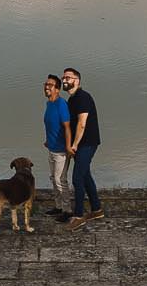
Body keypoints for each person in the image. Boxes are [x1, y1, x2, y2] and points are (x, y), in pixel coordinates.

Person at [60, 67, 103, 227]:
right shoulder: (72, 99)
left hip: (87, 143)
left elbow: (82, 123)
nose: (64, 80)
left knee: (77, 179)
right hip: (81, 144)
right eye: (64, 77)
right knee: (85, 176)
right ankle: (97, 209)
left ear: (77, 81)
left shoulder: (82, 97)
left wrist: (74, 145)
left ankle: (78, 216)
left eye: (68, 77)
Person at [40, 74, 73, 220]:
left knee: (61, 180)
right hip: (52, 148)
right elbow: (50, 124)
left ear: (58, 89)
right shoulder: (49, 104)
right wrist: (48, 140)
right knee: (54, 178)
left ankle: (67, 211)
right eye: (46, 84)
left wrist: (68, 147)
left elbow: (67, 127)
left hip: (61, 151)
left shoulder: (61, 104)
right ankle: (58, 206)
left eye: (50, 85)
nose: (47, 87)